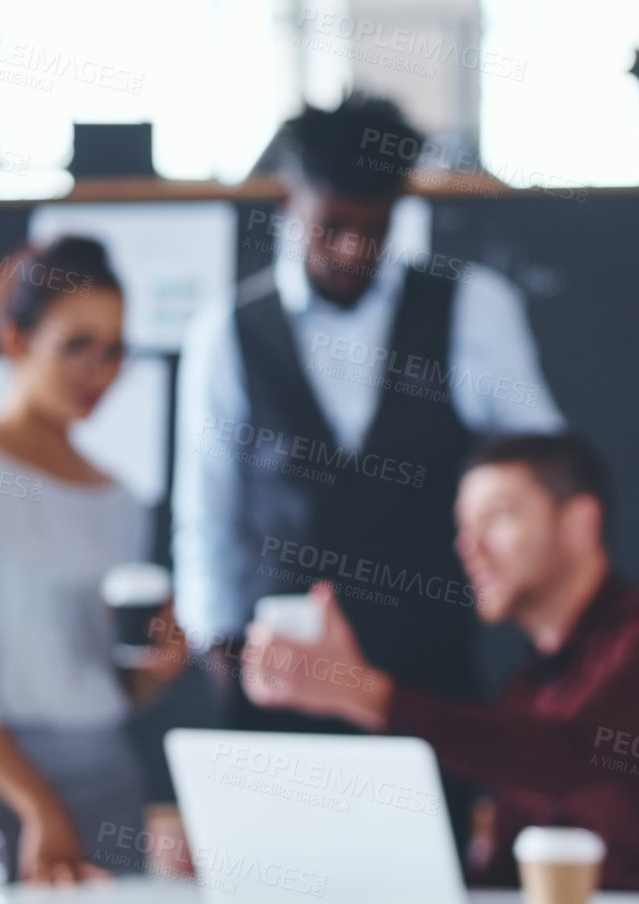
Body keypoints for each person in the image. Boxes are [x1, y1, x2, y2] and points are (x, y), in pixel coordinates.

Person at [173, 92, 567, 855]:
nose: (354, 249)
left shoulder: (473, 308)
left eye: (374, 229)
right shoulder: (227, 333)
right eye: (332, 227)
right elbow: (208, 509)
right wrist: (218, 647)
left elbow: (538, 467)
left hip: (429, 681)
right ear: (289, 203)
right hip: (279, 683)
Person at [237, 434, 639, 892]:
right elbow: (507, 877)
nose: (470, 547)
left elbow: (570, 753)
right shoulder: (528, 690)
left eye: (498, 517)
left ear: (580, 523)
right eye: (464, 526)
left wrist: (364, 693)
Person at [0, 237, 189, 884]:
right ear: (17, 341)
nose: (98, 370)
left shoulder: (119, 497)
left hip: (103, 777)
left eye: (113, 350)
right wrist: (39, 806)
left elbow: (92, 678)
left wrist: (152, 675)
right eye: (76, 345)